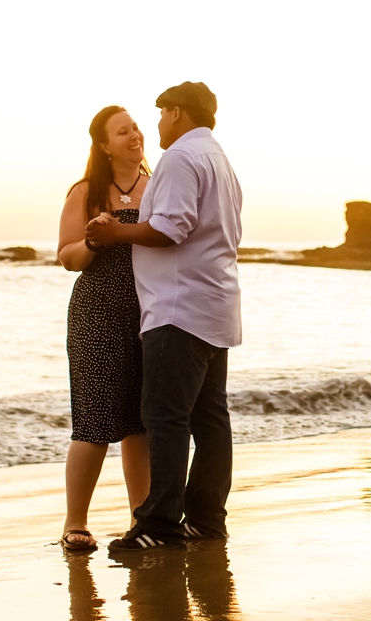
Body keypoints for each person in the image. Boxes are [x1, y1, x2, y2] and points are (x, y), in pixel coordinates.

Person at [85, 81, 242, 551]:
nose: (155, 126)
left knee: (164, 416)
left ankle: (159, 524)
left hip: (178, 307)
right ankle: (207, 519)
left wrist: (116, 232)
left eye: (158, 115)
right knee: (210, 418)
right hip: (216, 304)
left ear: (176, 113)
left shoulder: (178, 159)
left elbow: (171, 230)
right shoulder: (220, 160)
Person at [56, 105, 153, 552]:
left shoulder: (156, 188)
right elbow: (68, 258)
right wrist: (93, 239)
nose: (134, 135)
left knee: (140, 424)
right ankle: (75, 524)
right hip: (96, 314)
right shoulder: (85, 191)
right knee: (93, 422)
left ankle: (142, 521)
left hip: (150, 314)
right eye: (122, 131)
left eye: (134, 127)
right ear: (103, 144)